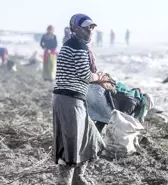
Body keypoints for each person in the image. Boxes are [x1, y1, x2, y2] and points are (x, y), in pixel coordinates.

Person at [52, 13, 107, 185]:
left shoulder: (72, 45)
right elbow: (84, 75)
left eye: (91, 28)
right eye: (86, 28)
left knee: (91, 139)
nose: (89, 31)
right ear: (75, 28)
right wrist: (99, 77)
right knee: (71, 145)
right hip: (69, 101)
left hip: (71, 100)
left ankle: (78, 177)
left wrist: (97, 78)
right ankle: (65, 182)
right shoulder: (77, 47)